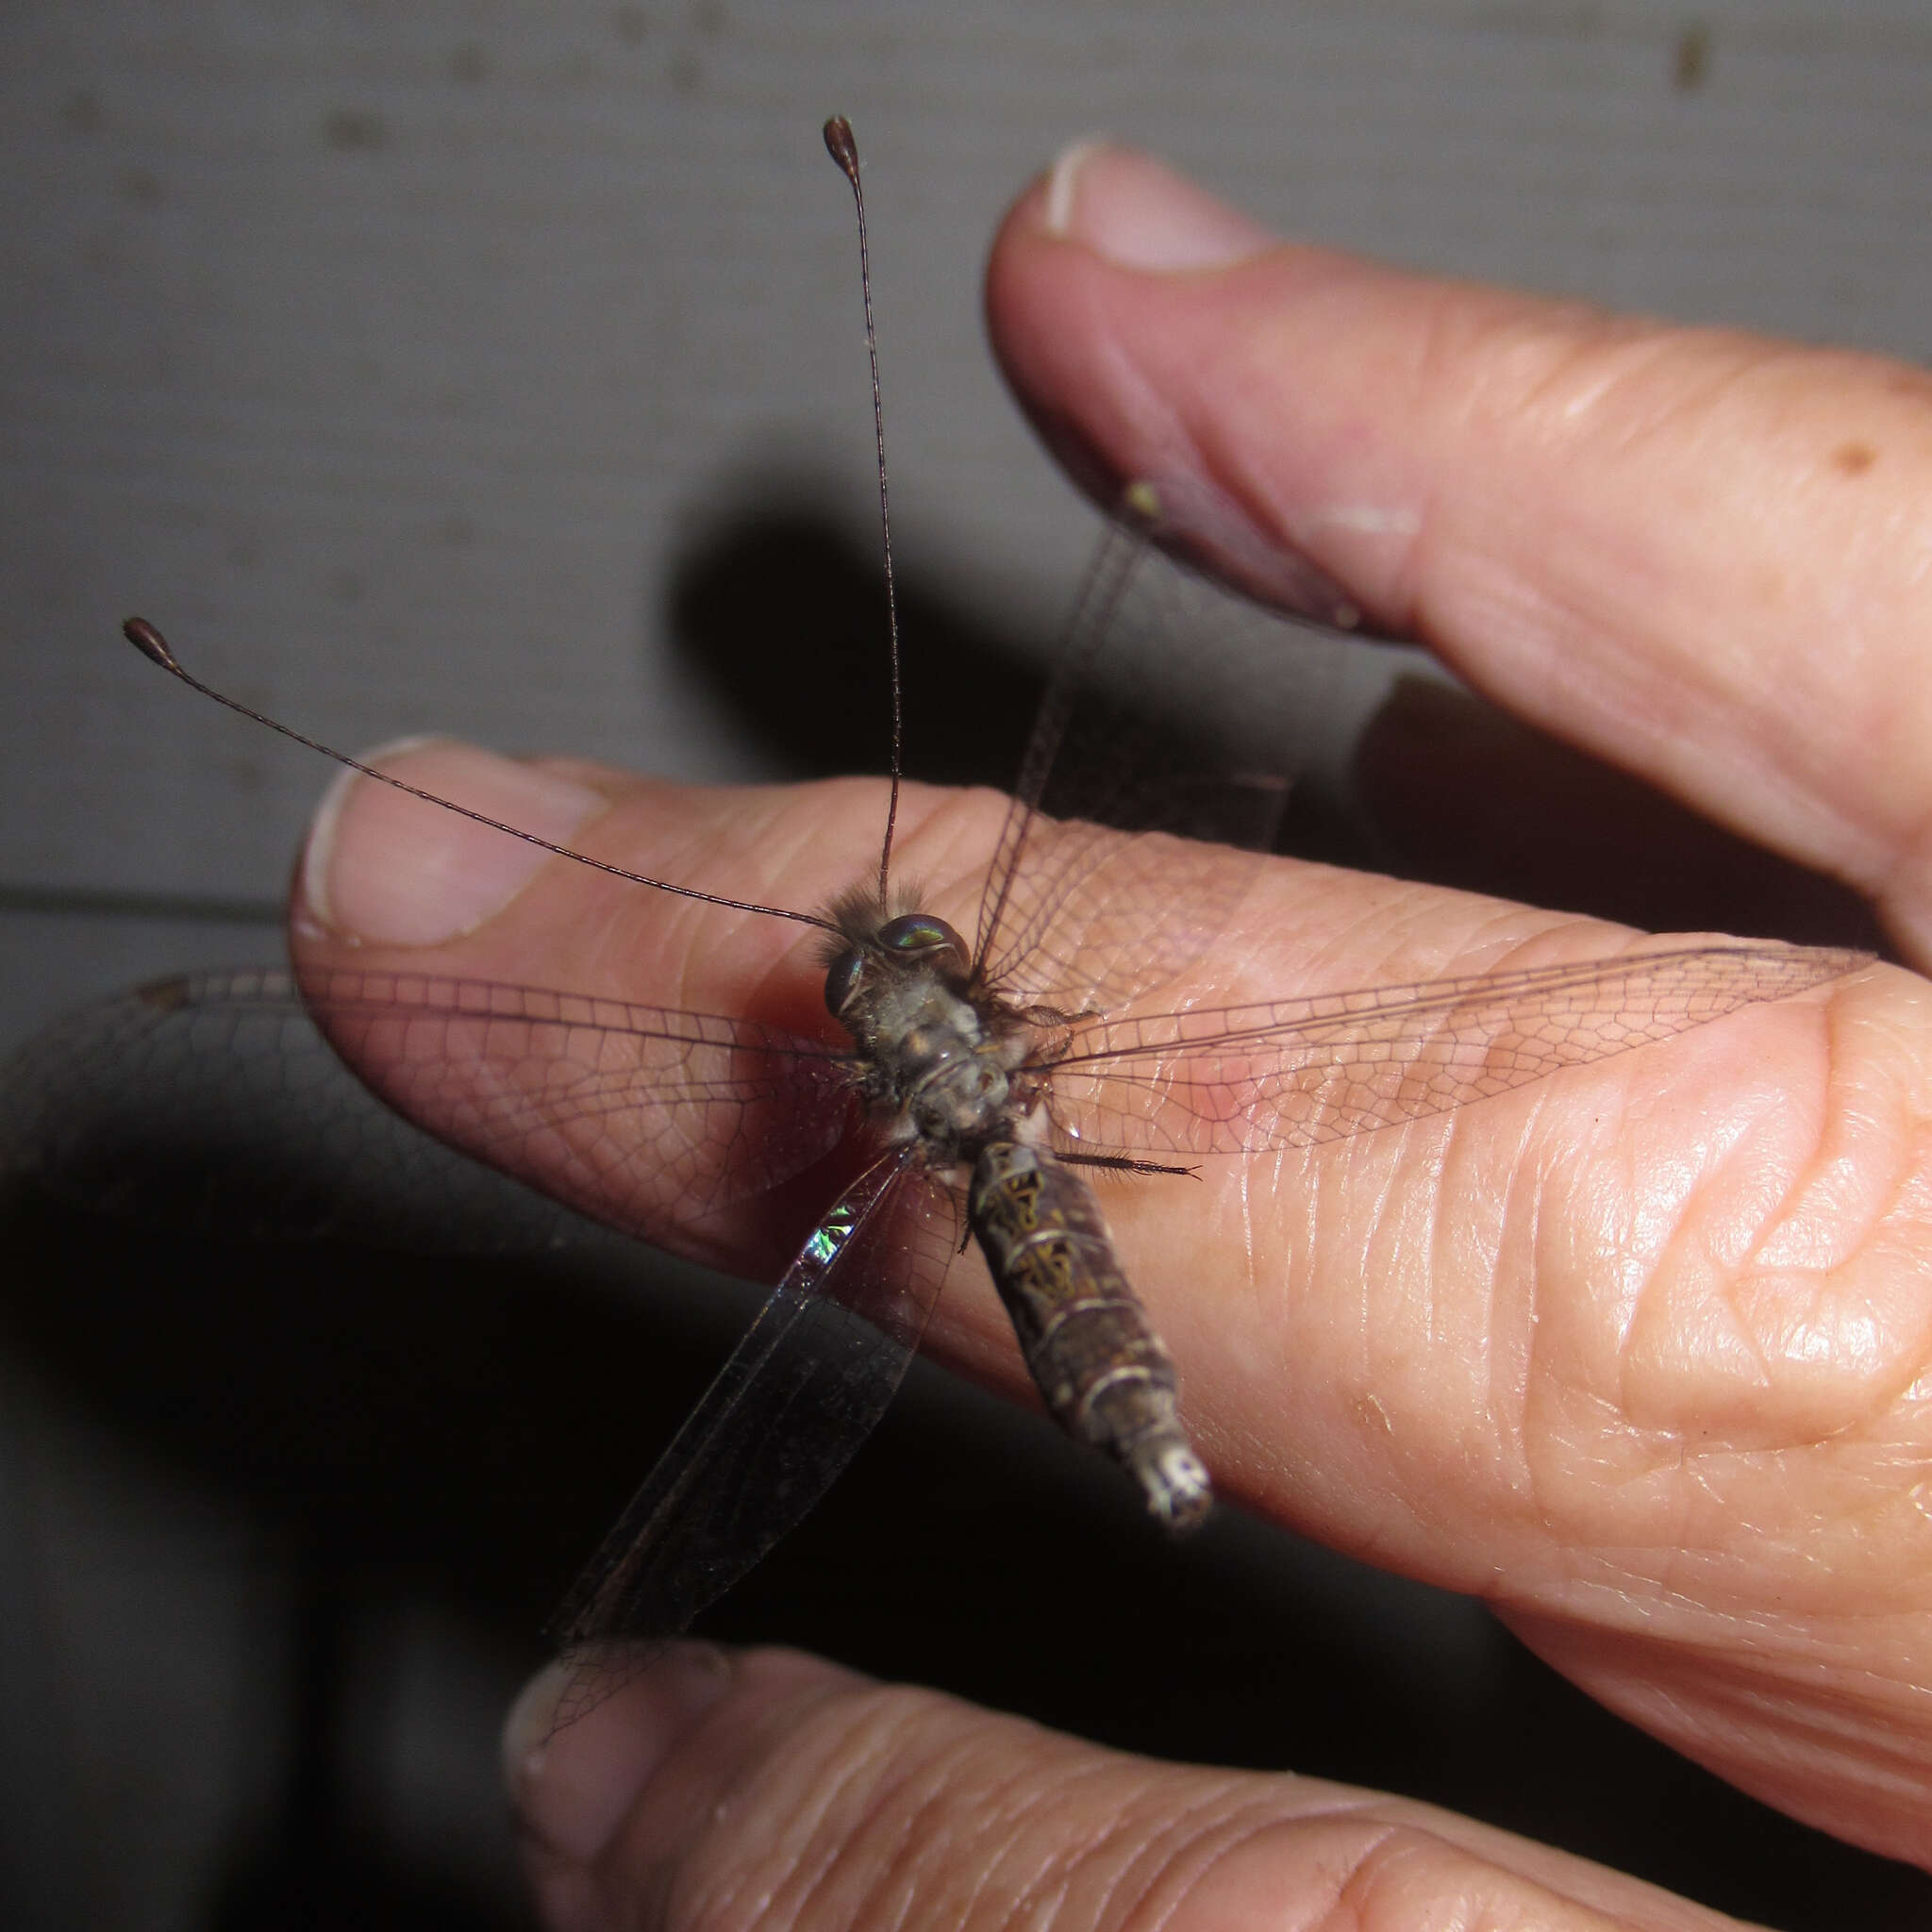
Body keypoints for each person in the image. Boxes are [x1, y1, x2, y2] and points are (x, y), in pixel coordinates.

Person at [293, 140, 1930, 1928]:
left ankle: (1140, 1436)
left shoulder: (878, 1099)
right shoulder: (980, 1015)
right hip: (1061, 1196)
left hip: (1034, 1256)